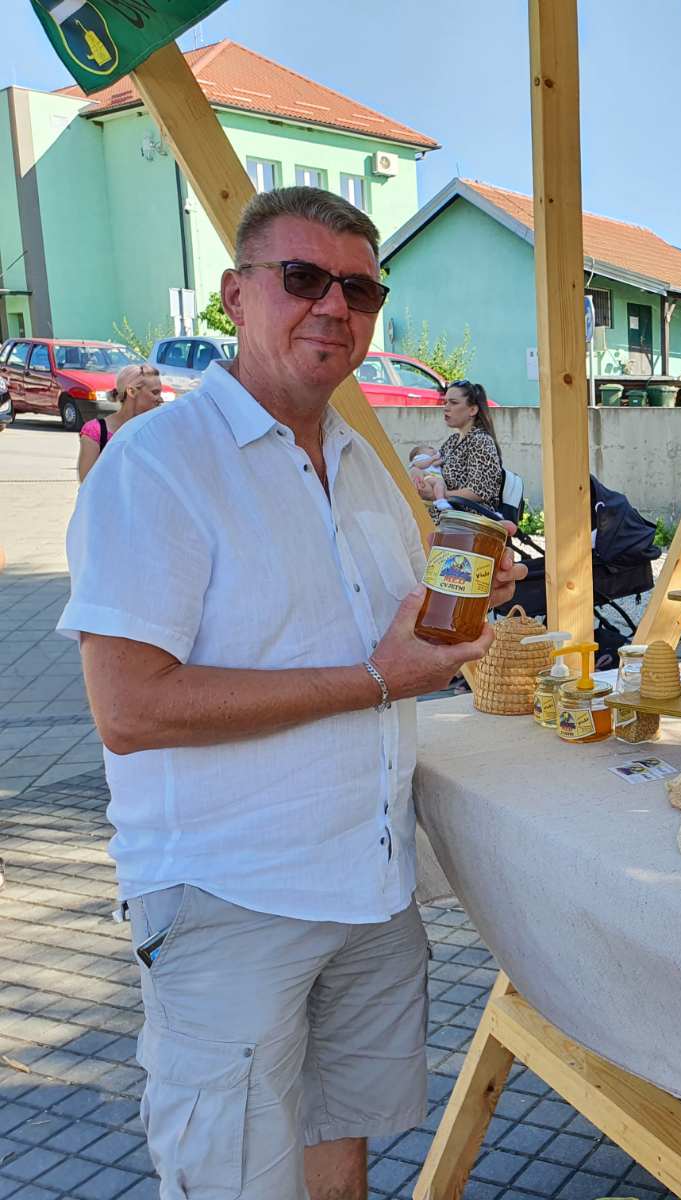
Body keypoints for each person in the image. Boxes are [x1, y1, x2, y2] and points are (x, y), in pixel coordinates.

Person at [57, 186, 525, 1200]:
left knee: (338, 1162)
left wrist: (461, 602)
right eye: (303, 278)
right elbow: (129, 709)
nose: (334, 307)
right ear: (236, 295)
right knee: (232, 1180)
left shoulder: (362, 464)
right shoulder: (158, 464)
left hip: (369, 885)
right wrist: (376, 679)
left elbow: (381, 631)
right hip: (231, 896)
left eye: (360, 290)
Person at [418, 378, 503, 514]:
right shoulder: (452, 441)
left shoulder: (480, 441)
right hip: (445, 515)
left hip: (467, 519)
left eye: (454, 403)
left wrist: (439, 494)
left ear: (473, 410)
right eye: (445, 402)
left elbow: (479, 492)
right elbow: (434, 468)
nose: (446, 408)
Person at [77, 362, 163, 481]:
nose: (161, 399)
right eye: (155, 393)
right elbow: (87, 483)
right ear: (131, 391)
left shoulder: (155, 431)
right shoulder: (97, 431)